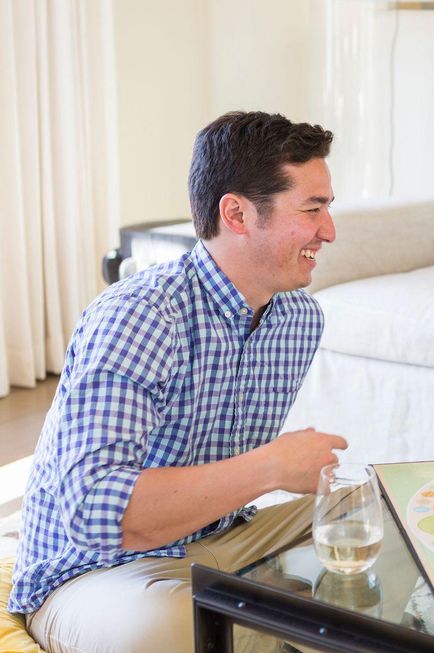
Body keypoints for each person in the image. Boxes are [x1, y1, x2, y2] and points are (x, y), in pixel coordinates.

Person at [8, 111, 347, 653]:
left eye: (328, 208)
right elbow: (92, 508)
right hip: (97, 572)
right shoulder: (140, 316)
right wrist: (275, 465)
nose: (328, 231)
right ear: (236, 213)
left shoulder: (297, 319)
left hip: (223, 541)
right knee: (172, 629)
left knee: (372, 512)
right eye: (312, 209)